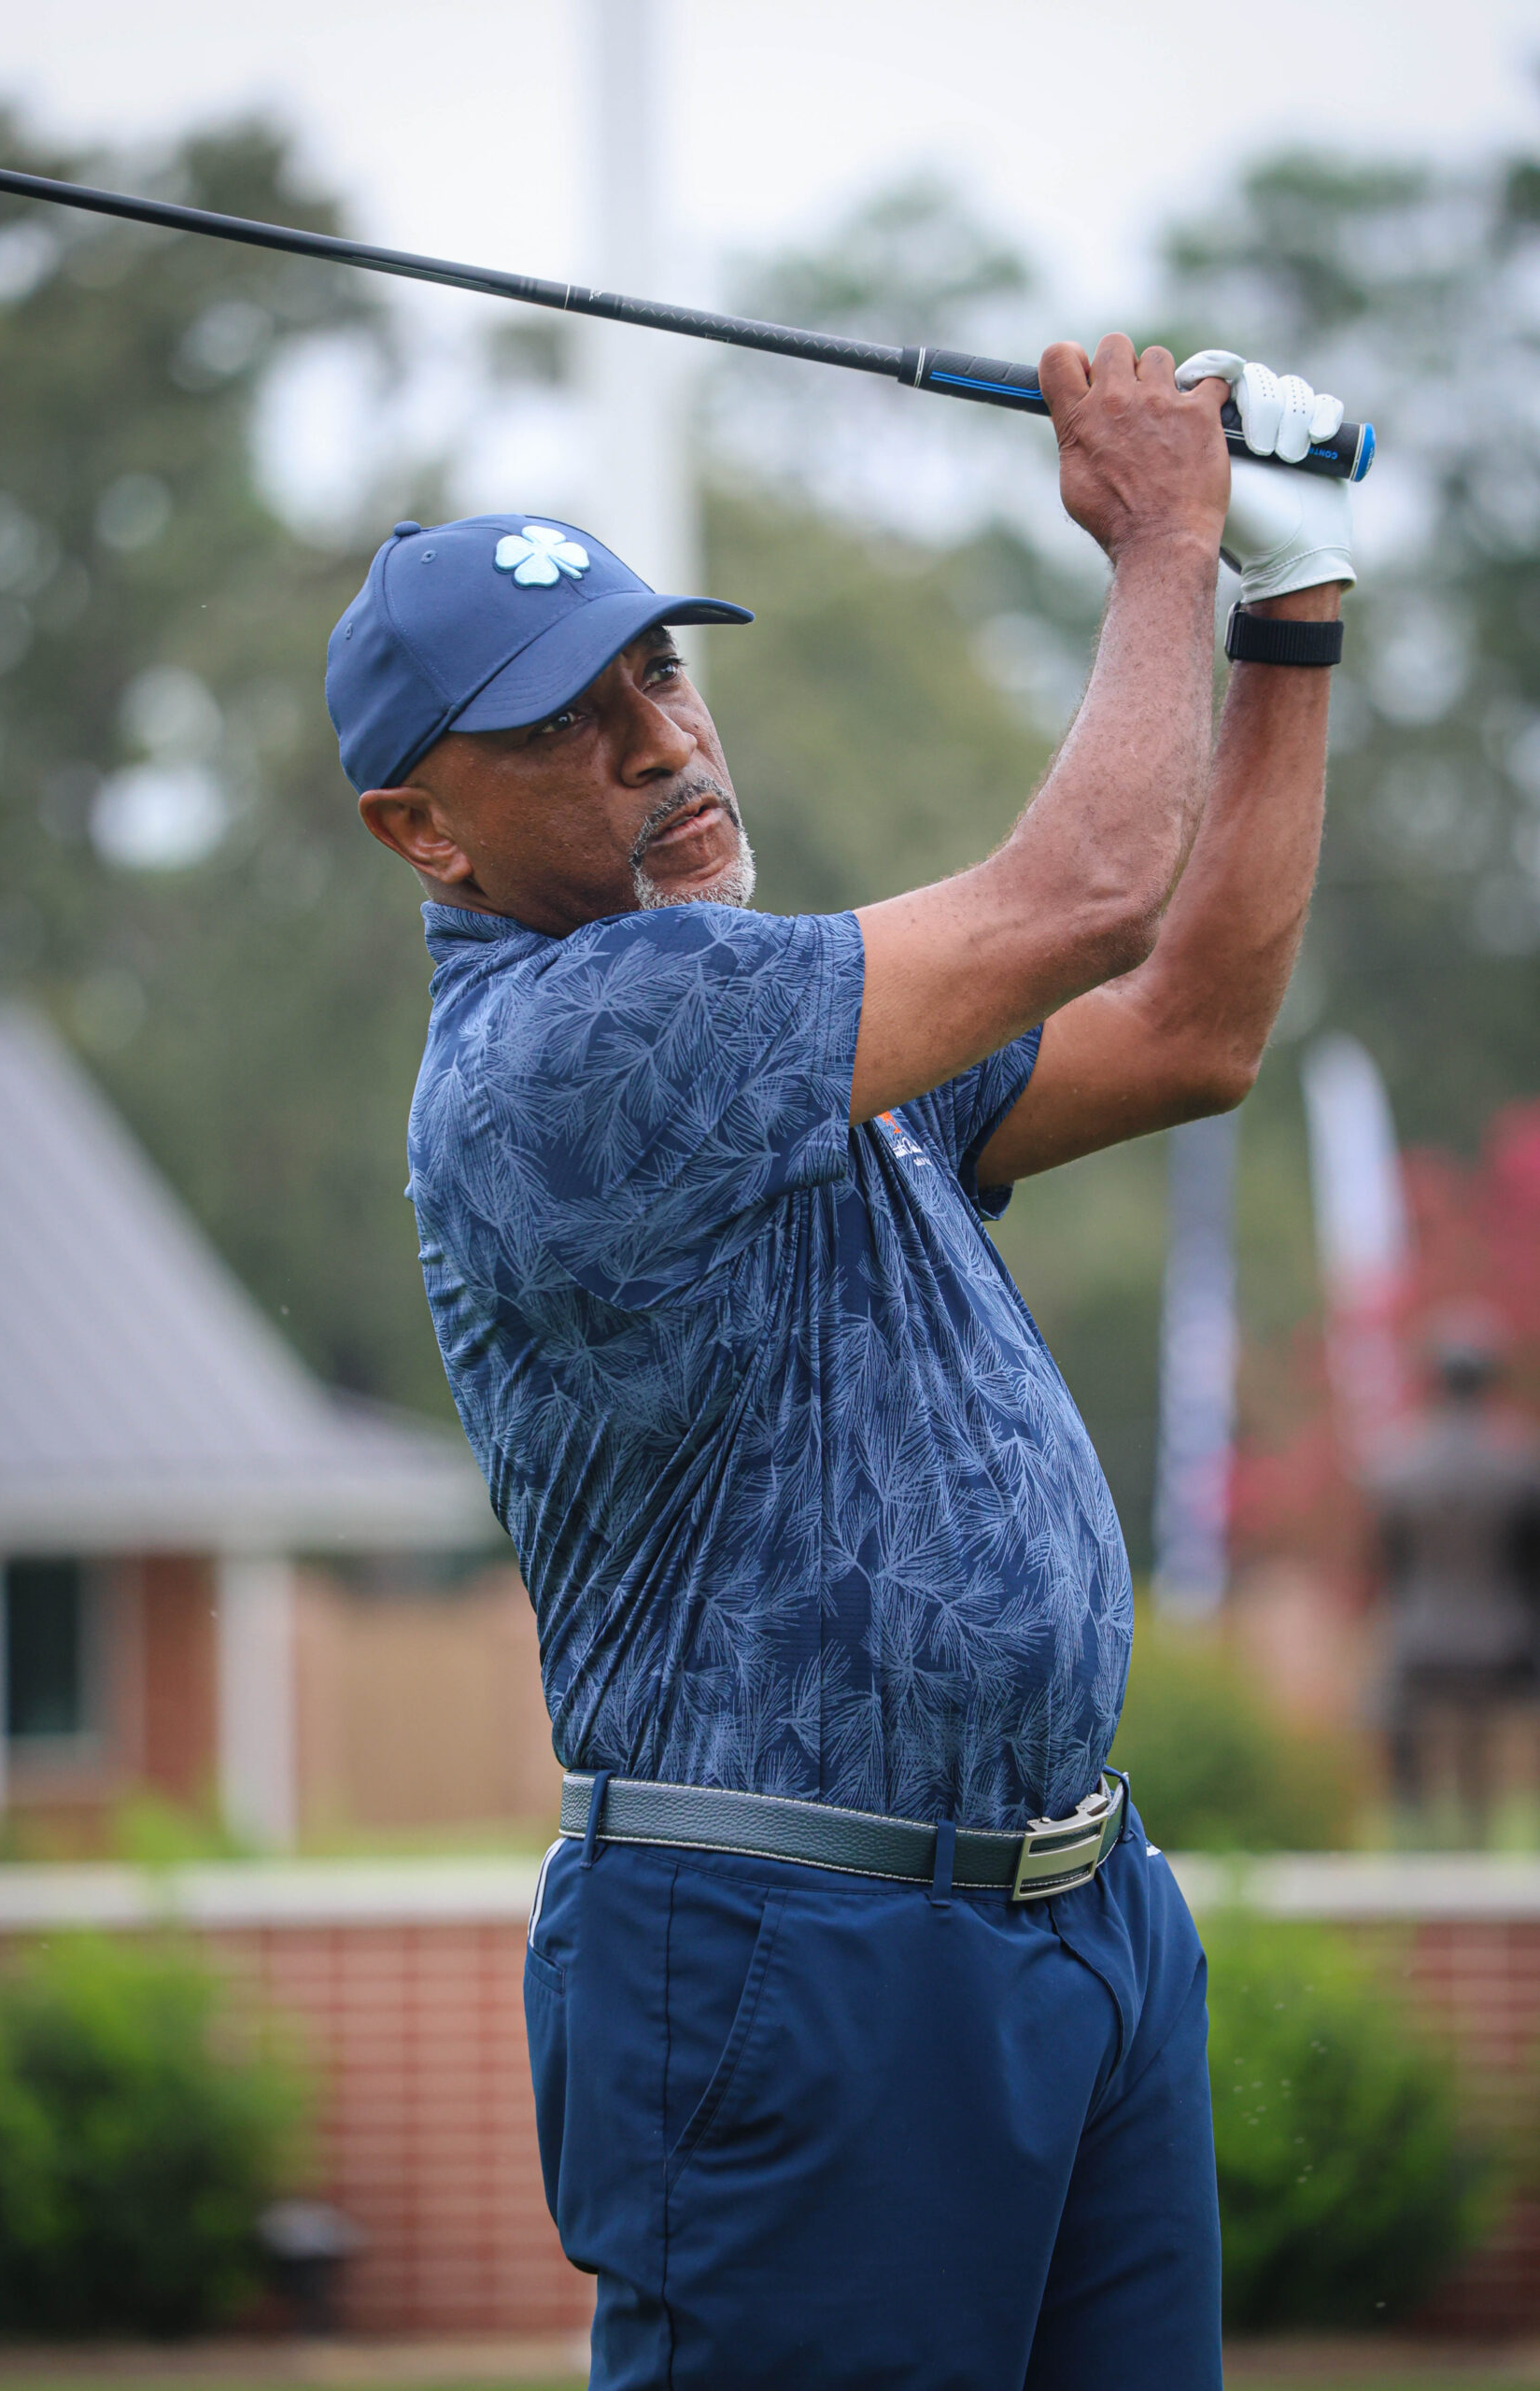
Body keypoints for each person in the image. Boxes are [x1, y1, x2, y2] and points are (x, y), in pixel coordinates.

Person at [326, 337, 1356, 2391]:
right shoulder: (581, 1043)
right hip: (790, 1952)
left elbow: (1189, 1030)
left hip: (1072, 1908)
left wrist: (1288, 610)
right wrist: (1166, 541)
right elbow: (1081, 893)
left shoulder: (792, 1026)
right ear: (423, 830)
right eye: (568, 722)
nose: (659, 744)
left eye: (660, 675)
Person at [1367, 1312, 1540, 1838]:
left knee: (1386, 1708)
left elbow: (1392, 1569)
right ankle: (1476, 1825)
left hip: (1420, 1646)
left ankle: (1413, 1819)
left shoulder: (1399, 1468)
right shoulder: (1521, 1466)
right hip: (1507, 1647)